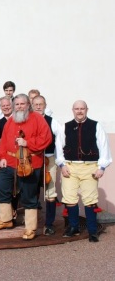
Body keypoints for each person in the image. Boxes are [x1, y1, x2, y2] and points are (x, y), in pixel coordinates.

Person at [0, 94, 52, 240]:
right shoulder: (11, 120)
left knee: (29, 196)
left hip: (29, 163)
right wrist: (1, 157)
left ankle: (30, 228)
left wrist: (27, 142)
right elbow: (4, 141)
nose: (19, 107)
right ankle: (6, 220)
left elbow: (46, 138)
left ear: (28, 105)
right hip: (10, 161)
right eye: (16, 104)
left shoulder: (37, 119)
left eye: (22, 104)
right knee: (1, 188)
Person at [56, 100, 112, 242]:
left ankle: (92, 231)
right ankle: (74, 227)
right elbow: (59, 148)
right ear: (72, 110)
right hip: (70, 166)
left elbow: (103, 147)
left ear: (87, 109)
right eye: (77, 109)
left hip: (90, 167)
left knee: (90, 200)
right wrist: (62, 165)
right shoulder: (65, 127)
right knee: (69, 199)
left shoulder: (96, 126)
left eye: (82, 108)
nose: (79, 111)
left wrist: (101, 167)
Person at [32, 95, 64, 236]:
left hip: (48, 159)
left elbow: (61, 141)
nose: (38, 106)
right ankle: (31, 224)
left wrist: (58, 159)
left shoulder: (53, 122)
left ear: (45, 105)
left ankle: (49, 224)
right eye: (36, 104)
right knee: (31, 190)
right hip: (31, 159)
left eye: (41, 104)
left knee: (50, 191)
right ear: (32, 105)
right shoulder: (28, 120)